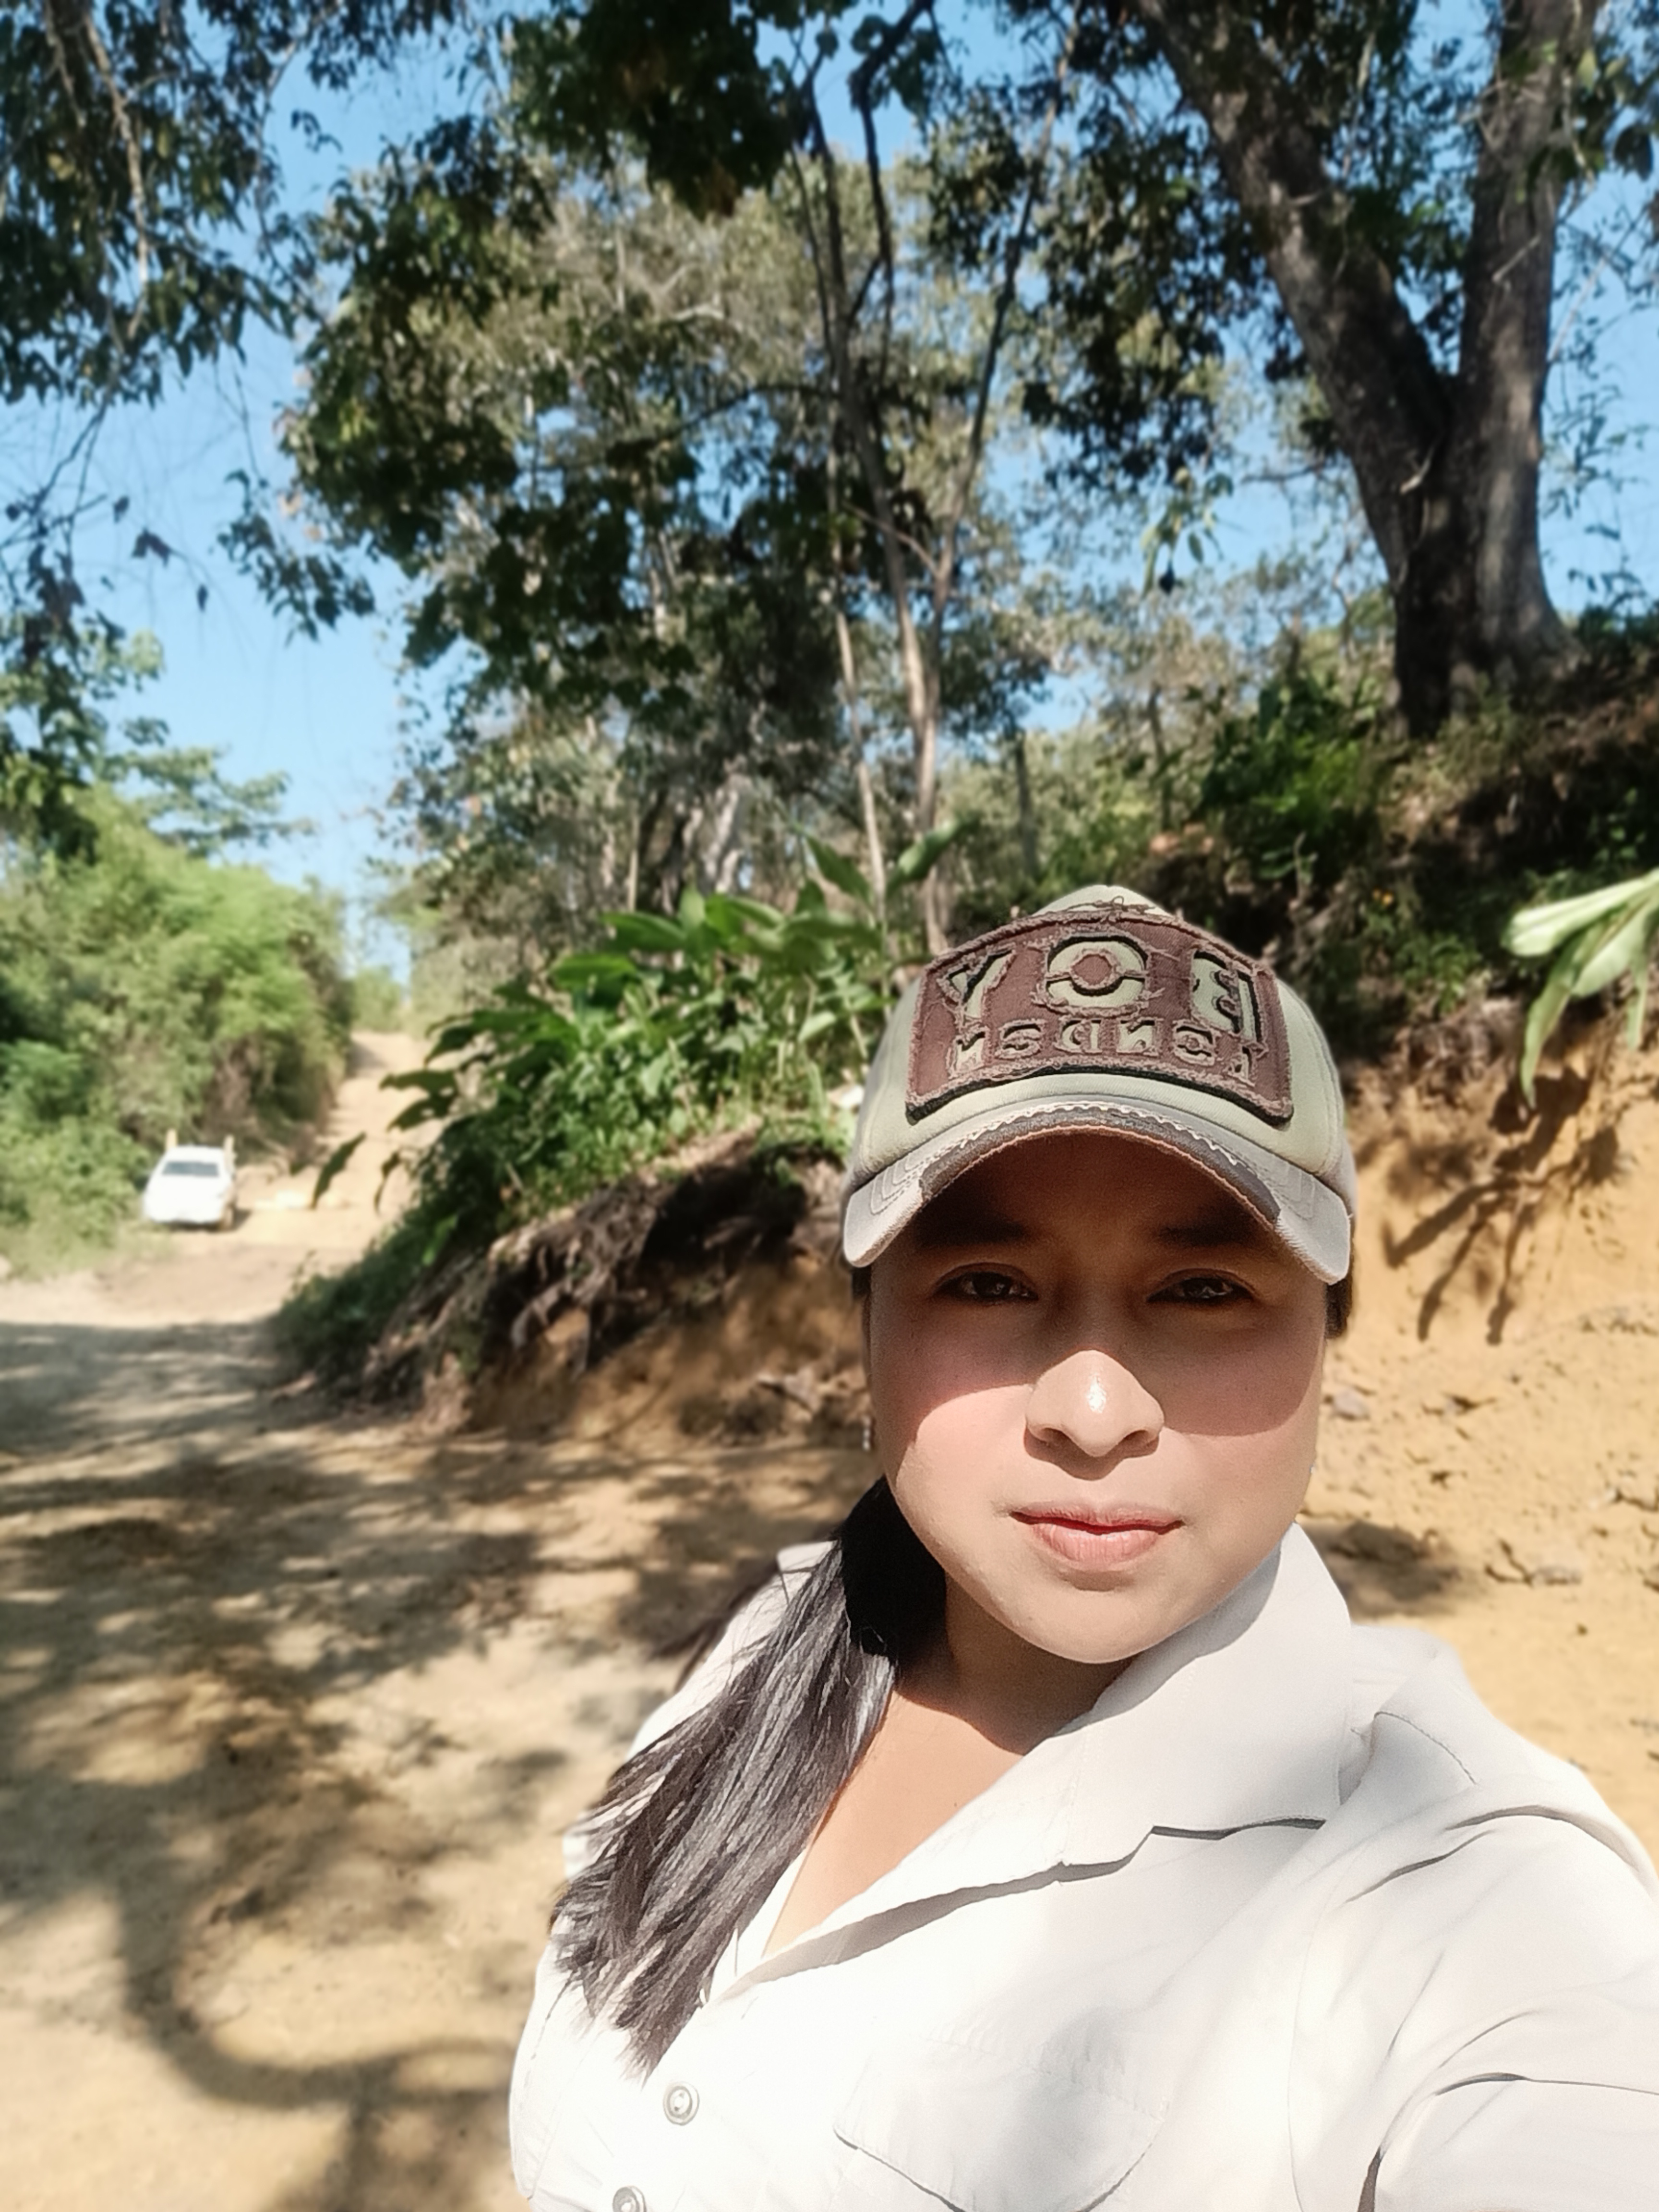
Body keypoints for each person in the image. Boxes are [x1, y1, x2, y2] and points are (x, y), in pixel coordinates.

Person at [510, 885, 1659, 2212]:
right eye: (990, 1284)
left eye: (1204, 1289)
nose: (1096, 1412)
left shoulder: (1475, 1898)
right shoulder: (760, 1649)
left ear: (1327, 1332)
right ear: (866, 1325)